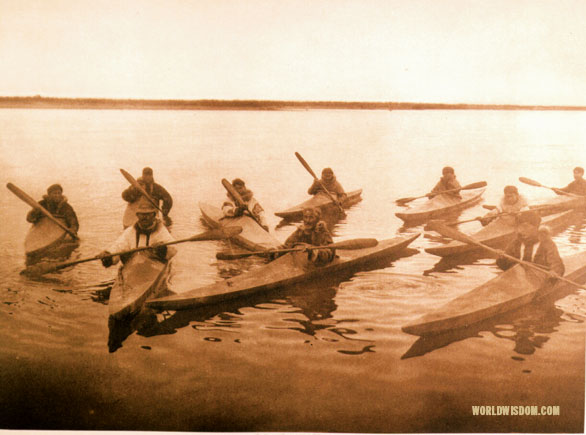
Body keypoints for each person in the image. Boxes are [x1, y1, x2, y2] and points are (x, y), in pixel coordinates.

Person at [98, 198, 176, 267]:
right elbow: (118, 246)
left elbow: (173, 248)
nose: (145, 217)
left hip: (154, 268)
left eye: (148, 214)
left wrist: (163, 249)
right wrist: (109, 255)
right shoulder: (130, 231)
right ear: (137, 215)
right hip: (133, 269)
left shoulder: (161, 230)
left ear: (154, 215)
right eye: (142, 214)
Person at [496, 211, 564, 278]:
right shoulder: (516, 242)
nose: (521, 230)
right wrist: (502, 258)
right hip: (519, 279)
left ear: (536, 227)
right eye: (519, 227)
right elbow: (505, 266)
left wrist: (555, 271)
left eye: (525, 227)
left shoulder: (547, 243)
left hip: (538, 279)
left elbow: (556, 264)